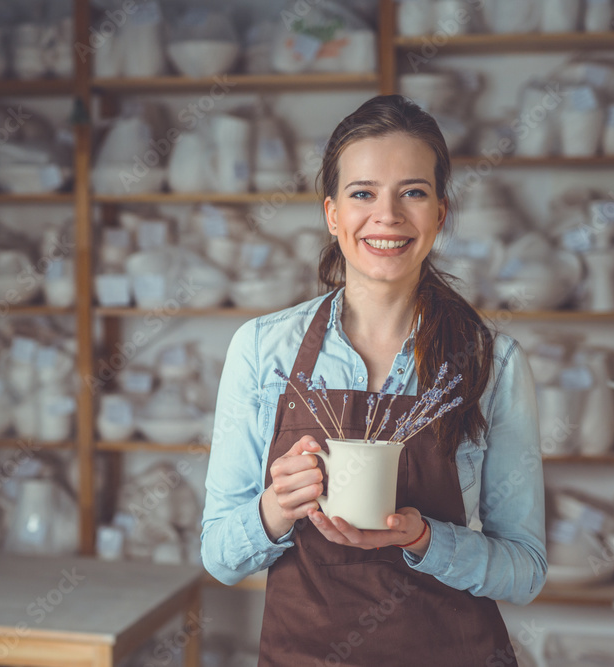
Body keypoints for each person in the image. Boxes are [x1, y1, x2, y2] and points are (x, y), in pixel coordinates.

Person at [201, 94, 546, 666]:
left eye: (413, 192)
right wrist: (276, 509)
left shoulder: (492, 362)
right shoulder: (263, 349)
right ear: (333, 213)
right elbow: (219, 555)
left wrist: (424, 540)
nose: (387, 216)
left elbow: (525, 571)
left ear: (439, 213)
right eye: (363, 193)